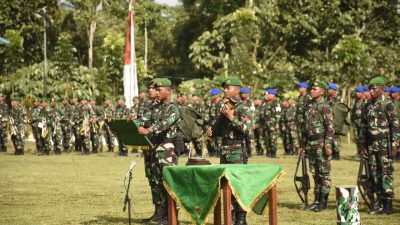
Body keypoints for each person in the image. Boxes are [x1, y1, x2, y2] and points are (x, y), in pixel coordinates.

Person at [207, 77, 252, 225]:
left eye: (228, 87)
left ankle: (241, 219)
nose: (225, 90)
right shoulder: (225, 107)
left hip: (237, 151)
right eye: (224, 88)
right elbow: (221, 130)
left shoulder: (243, 108)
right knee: (227, 186)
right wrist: (212, 132)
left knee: (238, 186)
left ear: (237, 90)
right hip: (225, 151)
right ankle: (231, 218)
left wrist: (232, 118)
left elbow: (248, 130)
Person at [138, 78, 181, 225]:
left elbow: (164, 124)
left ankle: (172, 216)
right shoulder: (154, 107)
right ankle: (161, 214)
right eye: (155, 89)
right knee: (156, 181)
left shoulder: (174, 108)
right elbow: (142, 120)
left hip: (167, 148)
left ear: (168, 91)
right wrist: (128, 124)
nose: (155, 92)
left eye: (159, 90)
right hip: (155, 147)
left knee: (168, 181)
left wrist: (148, 130)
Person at [359, 77, 399, 214]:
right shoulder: (367, 105)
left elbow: (395, 126)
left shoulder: (388, 104)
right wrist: (362, 145)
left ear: (382, 89)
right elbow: (363, 126)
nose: (371, 91)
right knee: (374, 174)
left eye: (374, 88)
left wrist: (395, 145)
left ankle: (388, 205)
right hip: (371, 145)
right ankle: (379, 203)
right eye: (370, 88)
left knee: (385, 173)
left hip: (384, 145)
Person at [302, 81, 334, 212]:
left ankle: (323, 202)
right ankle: (316, 200)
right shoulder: (308, 105)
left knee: (324, 173)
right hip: (310, 144)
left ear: (322, 91)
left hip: (321, 143)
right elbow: (305, 127)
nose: (312, 91)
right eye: (311, 89)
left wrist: (327, 145)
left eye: (315, 89)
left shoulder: (324, 106)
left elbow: (330, 128)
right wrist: (303, 145)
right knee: (314, 173)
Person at [261, 89, 279, 158]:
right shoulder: (265, 103)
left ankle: (273, 153)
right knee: (267, 138)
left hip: (273, 124)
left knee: (273, 138)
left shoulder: (276, 102)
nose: (267, 96)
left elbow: (278, 113)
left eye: (268, 94)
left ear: (273, 95)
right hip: (266, 124)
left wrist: (277, 123)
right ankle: (268, 152)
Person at [327, 82, 341, 160]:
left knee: (335, 139)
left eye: (330, 89)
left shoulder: (337, 99)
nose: (328, 90)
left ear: (334, 90)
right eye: (328, 89)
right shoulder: (327, 99)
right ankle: (331, 153)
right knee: (329, 138)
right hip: (328, 121)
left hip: (336, 121)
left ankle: (336, 154)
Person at [206, 88, 222, 157]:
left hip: (220, 123)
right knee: (214, 138)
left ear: (218, 95)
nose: (213, 96)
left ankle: (220, 152)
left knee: (219, 139)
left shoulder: (221, 103)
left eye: (214, 95)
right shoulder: (212, 104)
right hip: (213, 124)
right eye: (212, 95)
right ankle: (216, 152)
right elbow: (210, 115)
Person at [351, 86, 365, 159]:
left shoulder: (365, 101)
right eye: (356, 92)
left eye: (359, 92)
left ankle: (363, 152)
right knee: (356, 138)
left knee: (362, 138)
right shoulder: (355, 101)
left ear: (363, 93)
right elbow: (353, 111)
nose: (357, 93)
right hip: (356, 122)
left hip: (362, 122)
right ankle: (358, 152)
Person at [390, 86, 400, 160]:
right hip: (393, 125)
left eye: (393, 93)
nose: (392, 94)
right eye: (391, 93)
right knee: (394, 140)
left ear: (397, 93)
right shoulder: (390, 102)